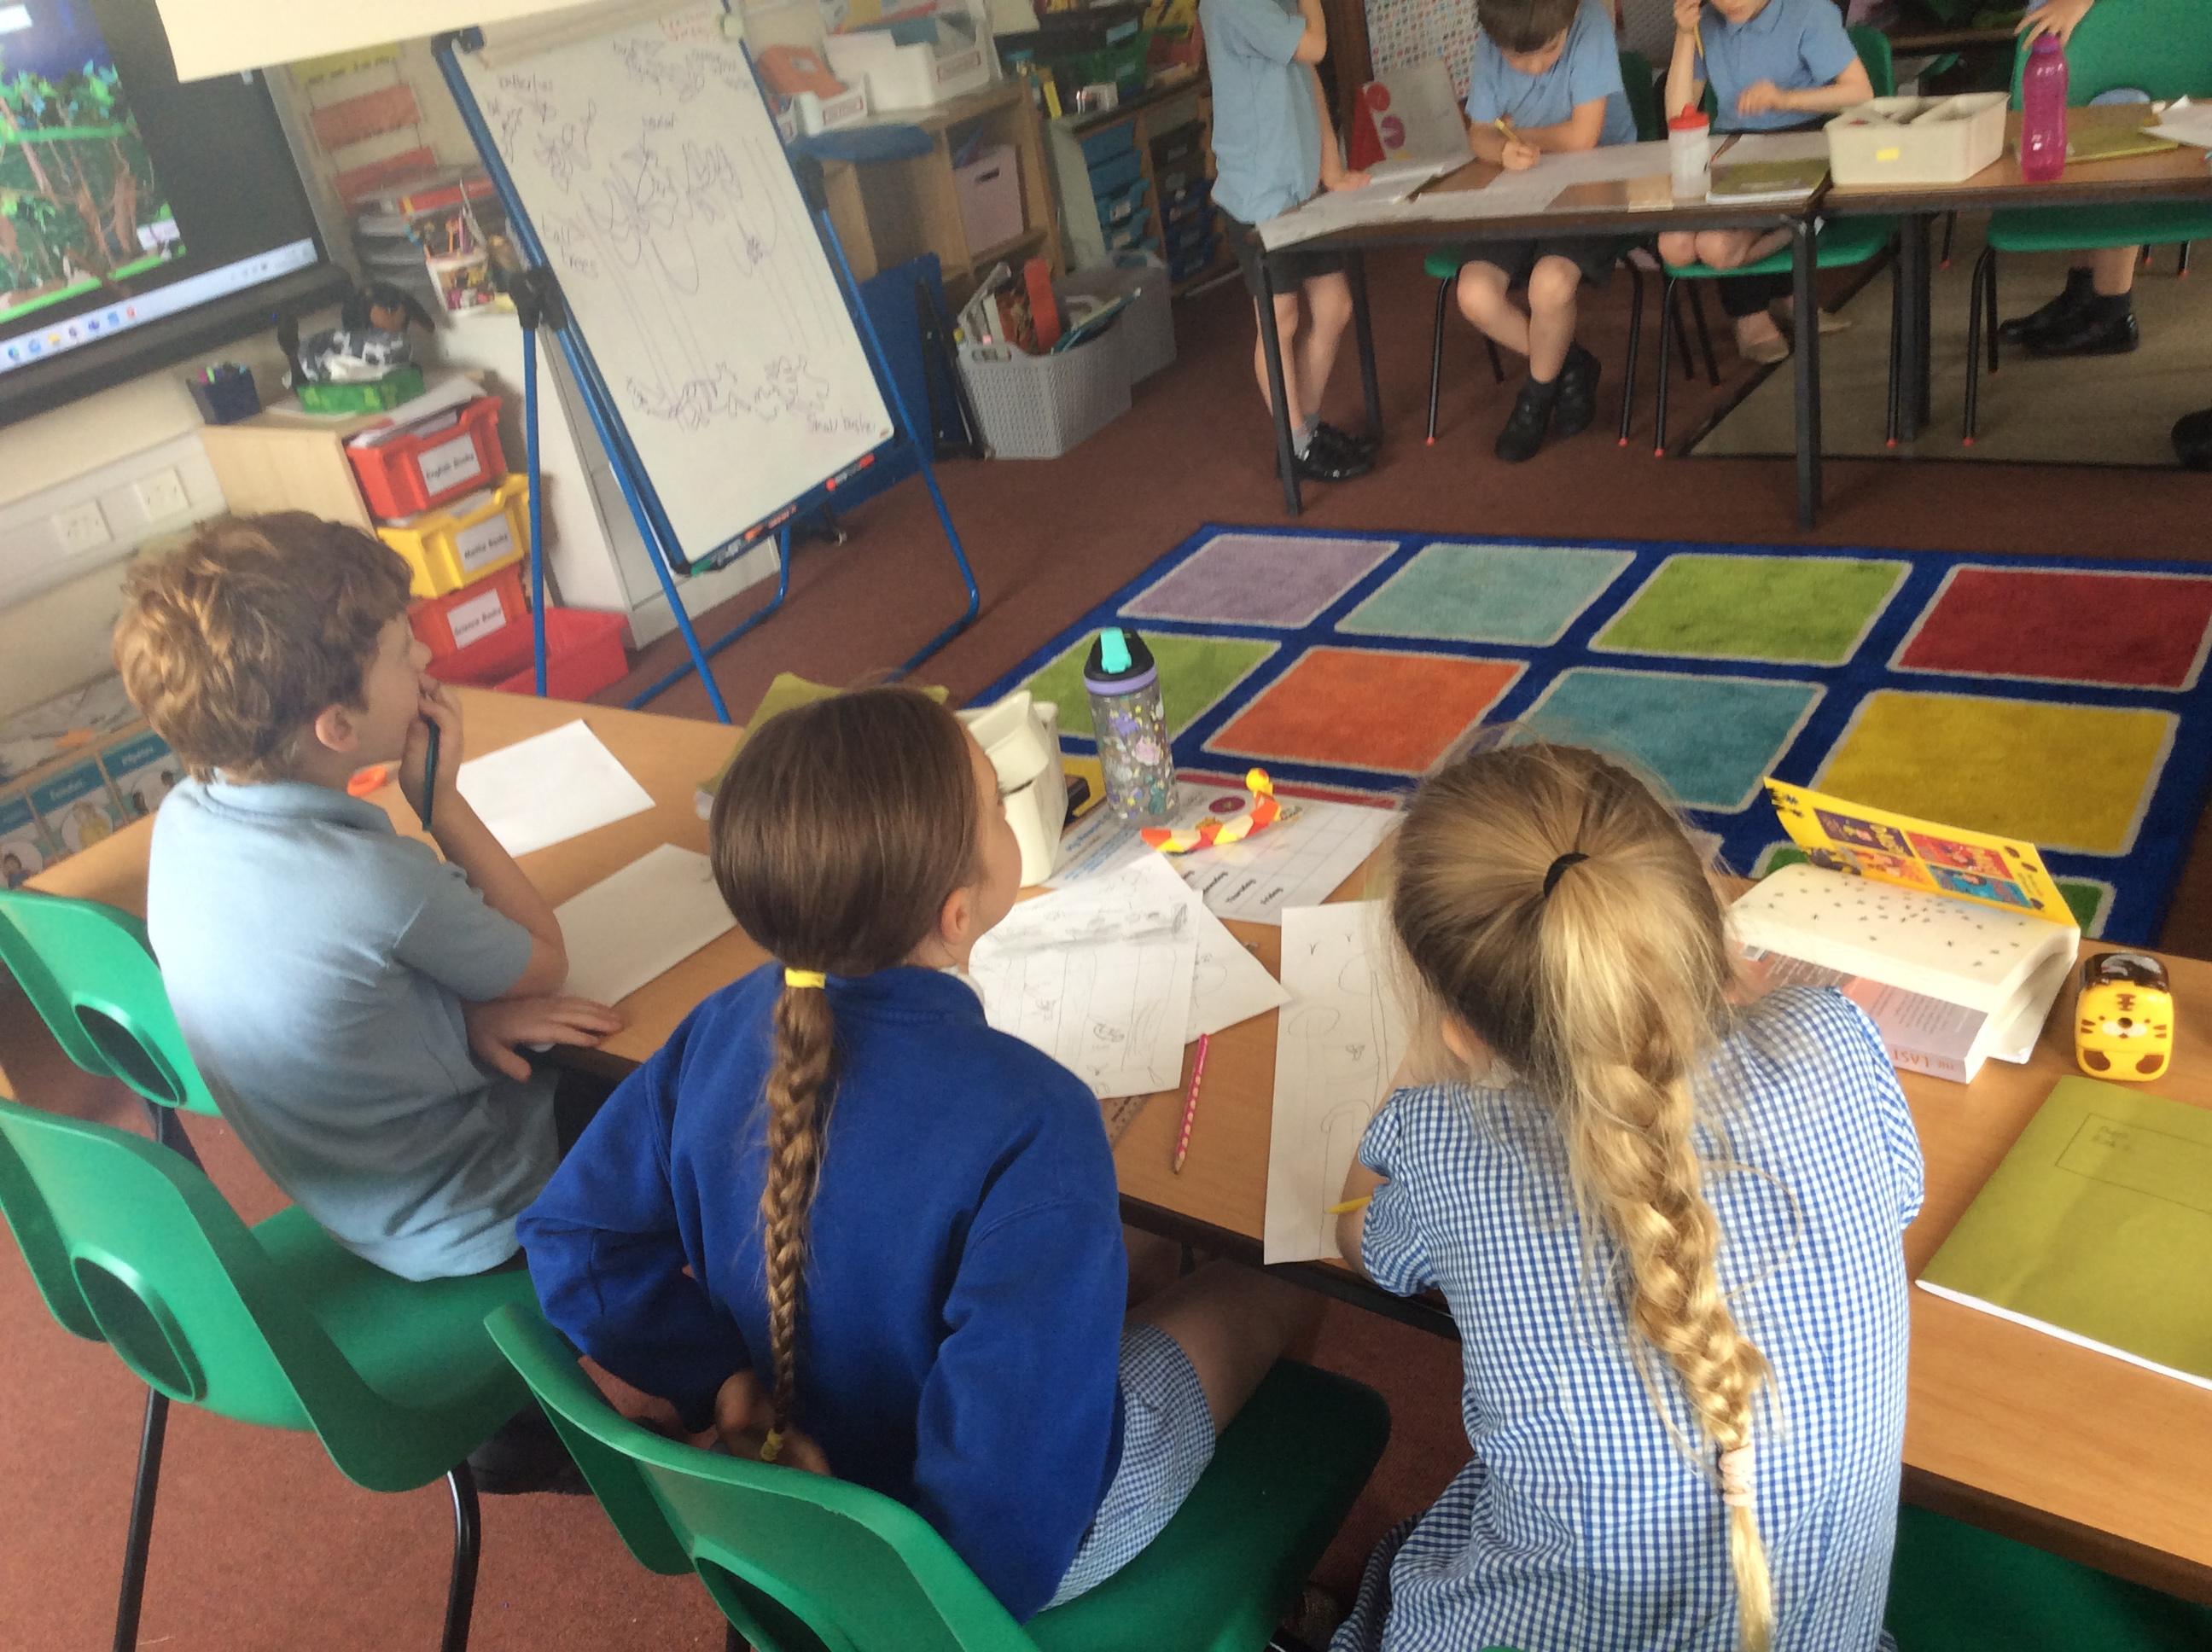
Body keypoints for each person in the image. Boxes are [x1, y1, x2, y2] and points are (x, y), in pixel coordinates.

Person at [520, 688, 1316, 1621]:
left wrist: (722, 1377)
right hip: (967, 1576)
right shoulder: (1034, 1120)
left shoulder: (721, 1027)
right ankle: (1292, 1584)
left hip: (793, 1508)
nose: (1011, 811)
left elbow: (573, 1242)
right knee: (1281, 1271)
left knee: (1110, 1251)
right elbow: (1005, 1525)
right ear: (957, 911)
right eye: (996, 804)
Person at [1330, 740, 1924, 1652]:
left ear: (1465, 1032)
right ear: (1700, 919)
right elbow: (1901, 1194)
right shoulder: (1833, 1040)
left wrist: (1423, 1064)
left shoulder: (1449, 1141)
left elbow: (1357, 1238)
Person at [114, 512, 624, 1286]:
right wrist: (441, 802)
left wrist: (458, 1021)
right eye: (400, 648)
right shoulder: (376, 884)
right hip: (483, 1209)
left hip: (358, 1204)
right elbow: (545, 962)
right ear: (338, 727)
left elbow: (317, 989)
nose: (425, 655)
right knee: (684, 1068)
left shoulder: (184, 819)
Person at [1452, 0, 1639, 462]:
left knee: (1550, 284)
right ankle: (1570, 363)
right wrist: (1500, 149)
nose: (1535, 68)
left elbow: (1582, 138)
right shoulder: (1497, 30)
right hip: (1521, 188)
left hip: (1596, 179)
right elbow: (1479, 135)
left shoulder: (1589, 18)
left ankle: (1534, 398)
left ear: (1568, 22)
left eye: (1550, 50)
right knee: (1474, 294)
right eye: (1518, 58)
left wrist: (1514, 138)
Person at [1205, 0, 1377, 482]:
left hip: (1299, 187)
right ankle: (1297, 444)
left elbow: (1308, 76)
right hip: (1258, 194)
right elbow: (1315, 46)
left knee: (1335, 306)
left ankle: (1306, 431)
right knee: (1280, 318)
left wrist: (1332, 170)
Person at [1659, 0, 1871, 364]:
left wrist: (1784, 98)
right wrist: (1683, 34)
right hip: (1735, 150)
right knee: (1673, 246)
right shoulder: (1706, 23)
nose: (1730, 3)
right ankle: (1794, 257)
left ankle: (1752, 311)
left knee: (1717, 247)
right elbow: (1678, 115)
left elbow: (1859, 92)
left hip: (1801, 146)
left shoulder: (1809, 11)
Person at [1999, 0, 2140, 358]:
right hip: (2075, 28)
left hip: (2123, 32)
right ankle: (2083, 294)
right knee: (2078, 153)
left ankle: (2112, 309)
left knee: (2116, 159)